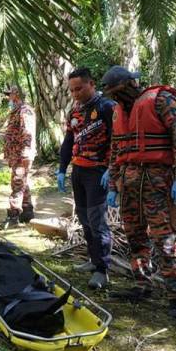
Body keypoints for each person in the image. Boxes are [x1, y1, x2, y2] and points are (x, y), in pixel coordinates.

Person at [102, 65, 176, 320]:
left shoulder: (162, 100)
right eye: (113, 95)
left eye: (119, 93)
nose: (117, 99)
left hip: (158, 180)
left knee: (164, 238)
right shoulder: (119, 112)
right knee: (134, 235)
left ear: (131, 85)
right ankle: (142, 285)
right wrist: (112, 185)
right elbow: (117, 151)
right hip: (130, 182)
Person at [57, 68, 115, 290]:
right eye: (72, 90)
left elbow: (118, 141)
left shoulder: (107, 108)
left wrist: (112, 169)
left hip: (98, 173)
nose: (75, 94)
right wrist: (62, 169)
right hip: (79, 171)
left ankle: (103, 270)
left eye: (79, 88)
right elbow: (68, 141)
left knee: (97, 220)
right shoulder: (75, 111)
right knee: (84, 218)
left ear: (91, 83)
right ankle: (93, 260)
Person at [0, 85, 37, 230]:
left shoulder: (24, 111)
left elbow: (27, 133)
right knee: (22, 183)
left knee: (17, 182)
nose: (8, 98)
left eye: (10, 95)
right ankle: (27, 212)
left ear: (16, 95)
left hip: (22, 154)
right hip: (17, 154)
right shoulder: (16, 111)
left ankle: (13, 216)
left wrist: (26, 153)